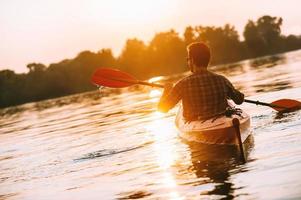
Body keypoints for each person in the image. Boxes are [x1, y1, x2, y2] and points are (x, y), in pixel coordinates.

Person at [158, 42, 244, 121]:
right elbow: (239, 100)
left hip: (197, 124)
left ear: (192, 60)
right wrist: (227, 93)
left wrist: (167, 90)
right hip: (223, 121)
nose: (187, 62)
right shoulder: (222, 80)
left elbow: (162, 108)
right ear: (208, 60)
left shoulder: (182, 84)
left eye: (188, 59)